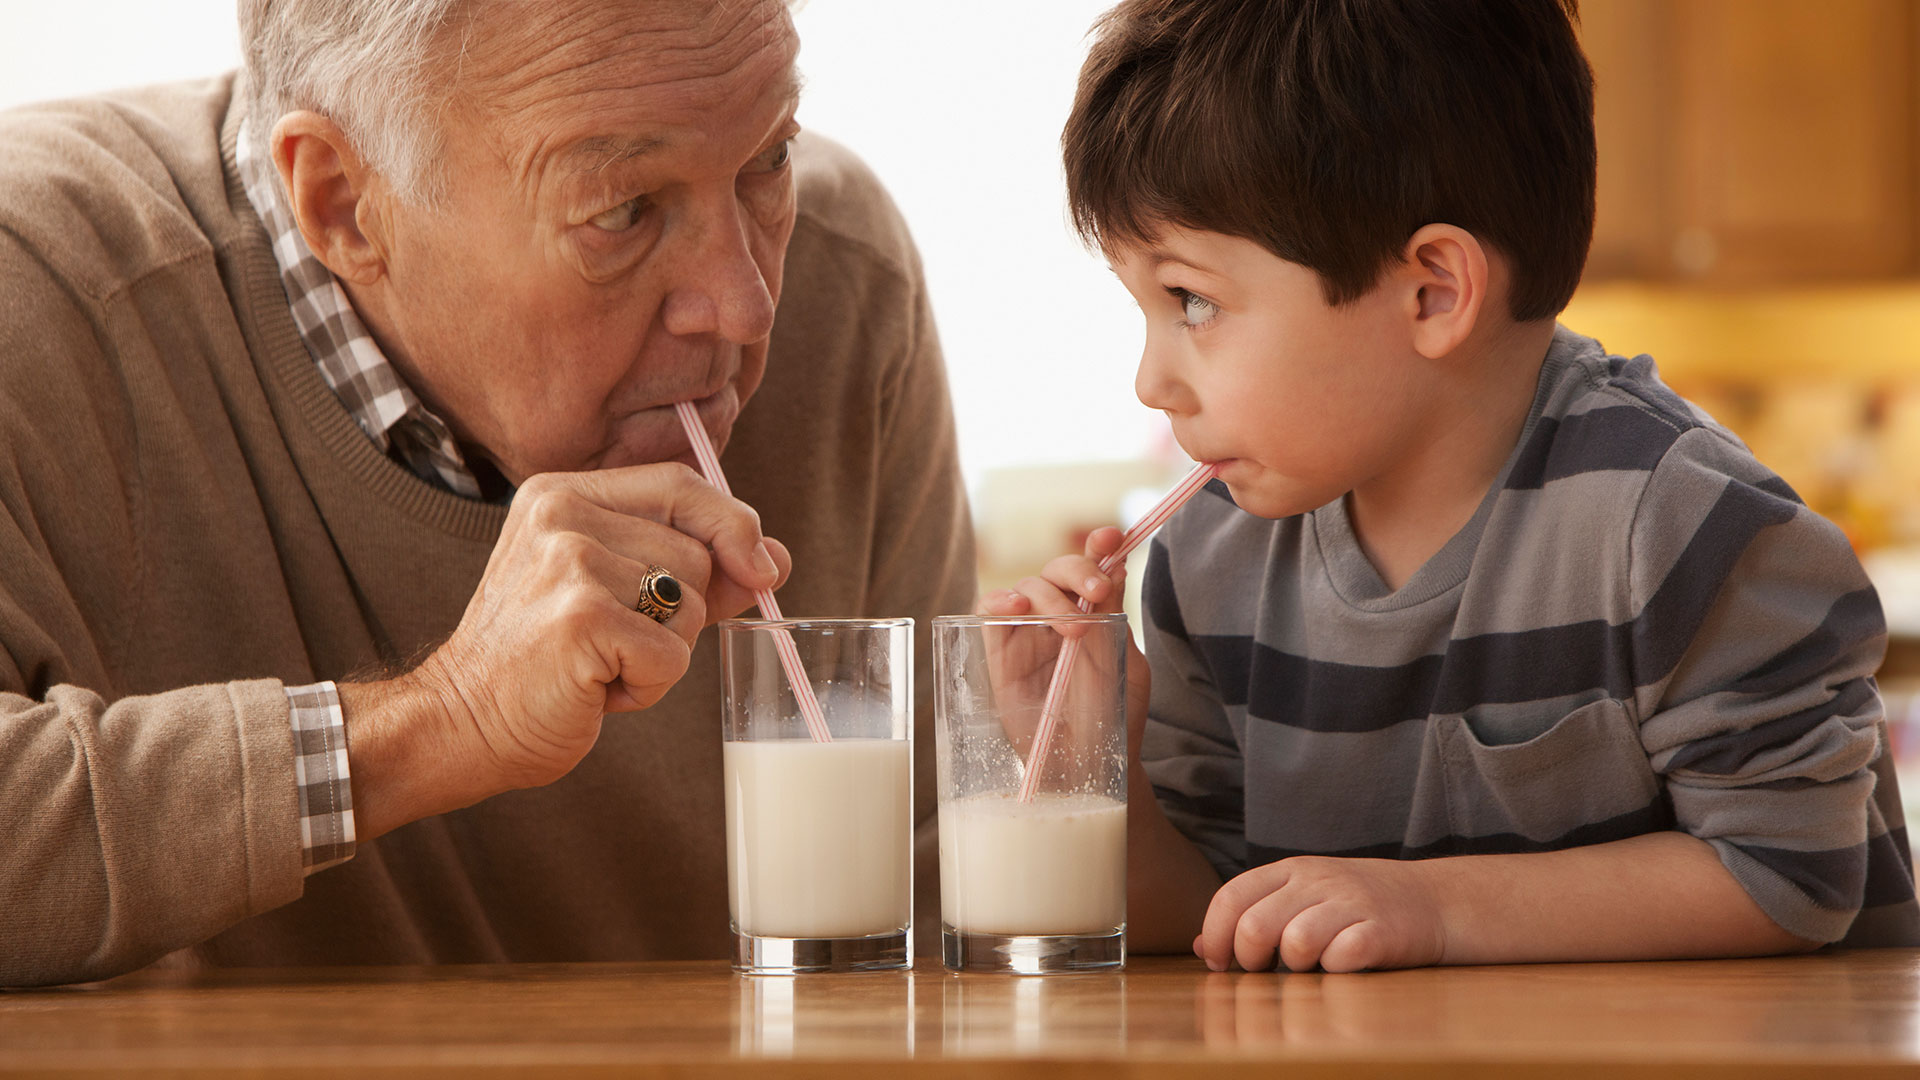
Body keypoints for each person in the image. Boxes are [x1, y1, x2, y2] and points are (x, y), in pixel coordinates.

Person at [0, 0, 973, 986]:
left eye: (768, 158)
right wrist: (443, 720)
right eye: (623, 211)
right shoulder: (35, 299)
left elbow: (940, 896)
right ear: (342, 203)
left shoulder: (848, 283)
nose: (745, 300)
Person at [990, 0, 1919, 972]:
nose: (1151, 381)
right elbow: (1216, 910)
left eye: (1194, 302)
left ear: (1434, 291)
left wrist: (1429, 908)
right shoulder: (1213, 555)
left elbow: (1791, 876)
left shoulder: (1683, 530)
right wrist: (1081, 774)